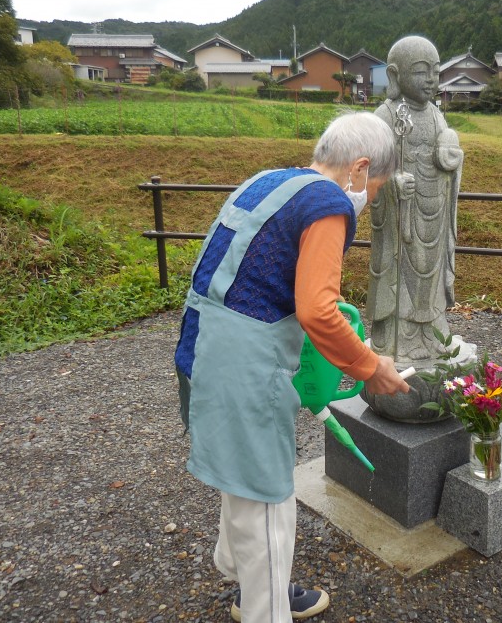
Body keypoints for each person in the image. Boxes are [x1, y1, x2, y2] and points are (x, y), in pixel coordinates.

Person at [174, 111, 410, 622]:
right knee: (267, 499)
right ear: (359, 167)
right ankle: (266, 608)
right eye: (375, 186)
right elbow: (318, 309)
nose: (369, 198)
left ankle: (243, 576)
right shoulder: (328, 203)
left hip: (200, 345)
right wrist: (371, 367)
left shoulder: (270, 181)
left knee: (241, 476)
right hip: (242, 364)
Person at [367, 35, 464, 366]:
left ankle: (431, 336)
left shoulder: (437, 116)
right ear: (395, 75)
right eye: (422, 71)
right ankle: (400, 340)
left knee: (429, 278)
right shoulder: (385, 115)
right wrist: (392, 183)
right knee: (401, 274)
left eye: (435, 72)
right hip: (400, 220)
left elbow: (448, 158)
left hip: (433, 215)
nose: (431, 80)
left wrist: (450, 159)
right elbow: (372, 169)